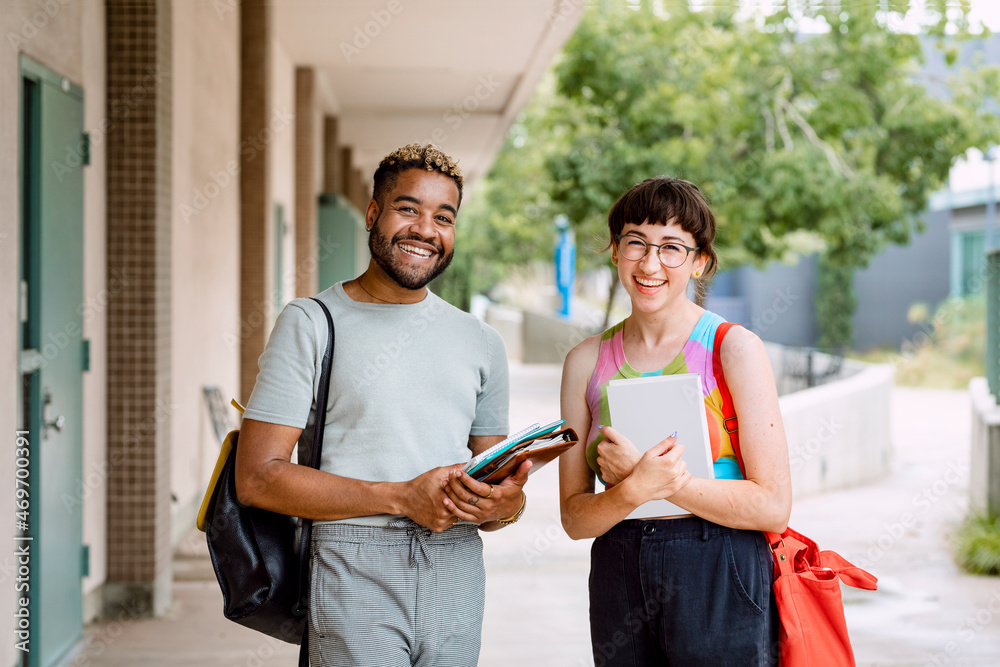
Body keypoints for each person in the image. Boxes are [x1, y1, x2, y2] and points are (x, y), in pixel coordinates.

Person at [235, 143, 531, 667]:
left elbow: (495, 486)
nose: (425, 229)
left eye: (444, 217)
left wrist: (507, 508)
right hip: (353, 562)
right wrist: (400, 496)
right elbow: (257, 478)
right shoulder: (311, 323)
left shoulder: (481, 342)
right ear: (374, 213)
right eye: (408, 209)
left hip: (455, 564)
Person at [558, 176, 792, 666]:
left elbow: (773, 505)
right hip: (618, 569)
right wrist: (630, 492)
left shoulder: (734, 348)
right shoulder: (585, 362)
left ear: (699, 261)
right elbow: (575, 519)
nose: (649, 263)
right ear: (615, 250)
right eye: (635, 243)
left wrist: (663, 483)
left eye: (671, 247)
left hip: (720, 565)